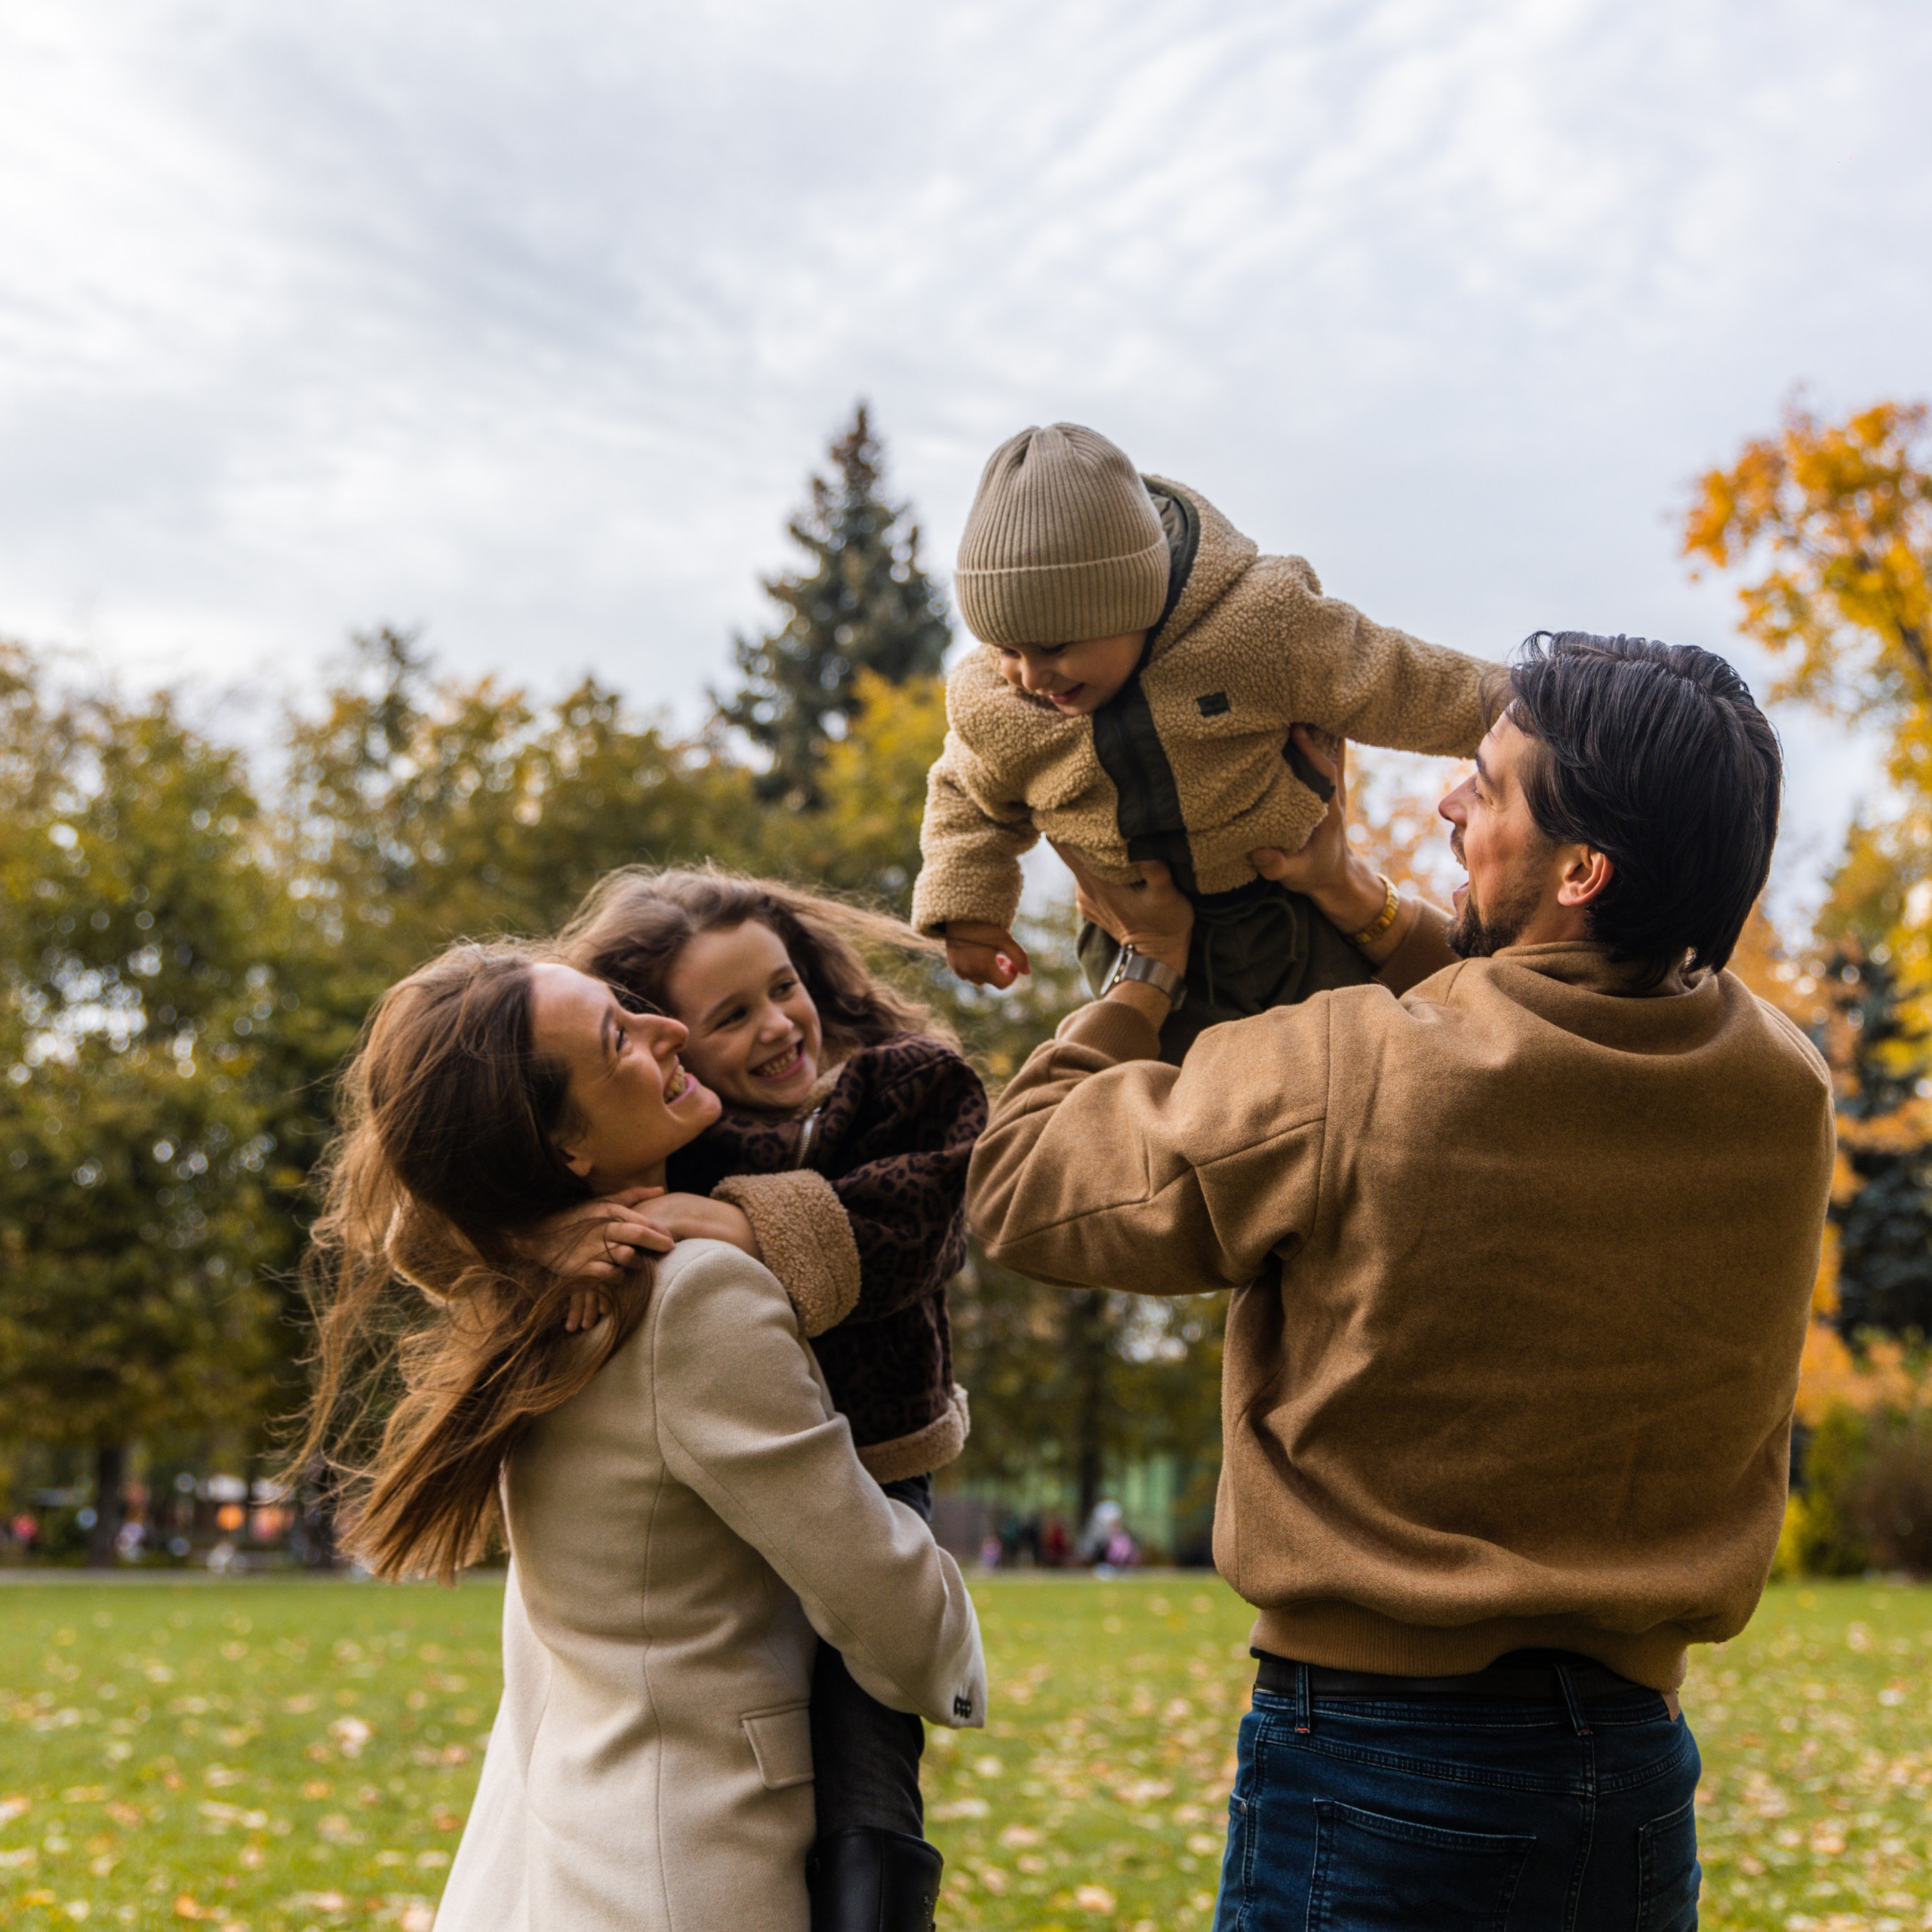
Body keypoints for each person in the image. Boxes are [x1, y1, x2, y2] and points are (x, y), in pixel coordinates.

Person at [967, 632, 1834, 1930]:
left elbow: (1023, 1180)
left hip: (1375, 1773)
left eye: (1486, 787)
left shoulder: (1348, 1075)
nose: (1446, 800)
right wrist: (1359, 899)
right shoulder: (1782, 1084)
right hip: (1635, 1780)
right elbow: (1539, 1027)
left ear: (1583, 869)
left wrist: (1140, 978)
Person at [294, 942, 985, 1932]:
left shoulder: (528, 1287)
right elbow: (889, 1609)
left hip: (549, 1853)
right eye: (621, 1034)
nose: (672, 1028)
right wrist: (954, 1648)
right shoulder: (696, 1296)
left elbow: (426, 1218)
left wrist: (534, 1233)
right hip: (690, 1871)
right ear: (565, 1148)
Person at [540, 866, 986, 1913]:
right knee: (759, 1700)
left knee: (868, 1745)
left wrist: (751, 1226)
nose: (781, 1026)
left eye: (784, 987)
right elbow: (464, 1192)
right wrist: (547, 1236)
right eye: (731, 1016)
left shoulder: (904, 1086)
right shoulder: (671, 1132)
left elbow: (922, 1225)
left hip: (878, 1467)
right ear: (670, 1036)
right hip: (725, 1491)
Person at [909, 420, 1507, 1059]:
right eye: (1006, 649)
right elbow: (965, 793)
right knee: (1176, 1101)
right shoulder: (997, 702)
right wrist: (969, 909)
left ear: (1135, 601)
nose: (1030, 676)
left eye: (1055, 648)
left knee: (1353, 1060)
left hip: (1287, 901)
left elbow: (1393, 678)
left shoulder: (1255, 630)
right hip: (1130, 929)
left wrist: (1529, 704)